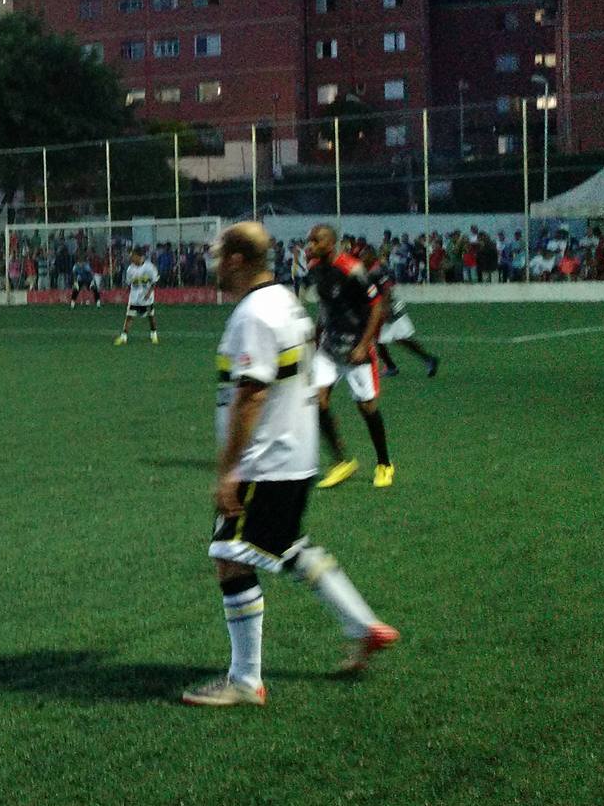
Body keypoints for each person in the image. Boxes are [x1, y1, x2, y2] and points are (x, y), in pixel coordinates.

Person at [183, 221, 398, 707]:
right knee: (288, 548)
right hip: (295, 458)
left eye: (218, 254)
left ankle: (244, 679)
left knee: (229, 557)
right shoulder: (285, 301)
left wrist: (228, 472)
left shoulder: (254, 315)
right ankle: (363, 625)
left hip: (266, 463)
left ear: (237, 259)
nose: (213, 262)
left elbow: (250, 396)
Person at [304, 225, 393, 489]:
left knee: (366, 407)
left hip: (356, 347)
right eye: (310, 240)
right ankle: (342, 462)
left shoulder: (352, 269)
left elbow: (377, 307)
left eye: (316, 240)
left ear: (330, 243)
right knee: (316, 401)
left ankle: (384, 463)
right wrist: (317, 333)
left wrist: (364, 344)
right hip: (330, 348)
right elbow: (326, 305)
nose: (310, 244)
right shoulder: (316, 268)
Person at [364, 249, 439, 378]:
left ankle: (394, 366)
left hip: (387, 309)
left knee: (385, 339)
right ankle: (426, 359)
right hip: (384, 308)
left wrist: (385, 307)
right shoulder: (372, 270)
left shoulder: (376, 270)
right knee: (395, 339)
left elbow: (387, 288)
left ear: (371, 257)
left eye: (364, 255)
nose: (362, 258)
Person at [116, 247, 161, 346]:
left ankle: (154, 335)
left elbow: (154, 281)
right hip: (134, 297)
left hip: (146, 297)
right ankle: (124, 337)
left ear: (139, 256)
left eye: (133, 255)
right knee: (129, 316)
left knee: (150, 316)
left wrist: (149, 292)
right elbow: (129, 283)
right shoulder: (130, 269)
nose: (131, 257)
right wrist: (126, 292)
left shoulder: (149, 267)